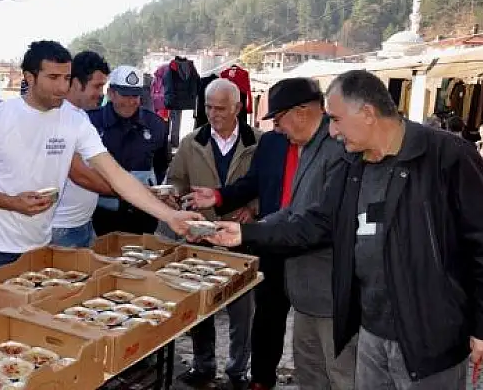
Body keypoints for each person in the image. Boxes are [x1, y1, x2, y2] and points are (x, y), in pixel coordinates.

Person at [204, 70, 483, 390]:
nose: (332, 131)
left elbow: (480, 242)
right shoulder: (354, 165)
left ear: (366, 113)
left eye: (336, 119)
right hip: (369, 327)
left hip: (430, 334)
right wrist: (246, 234)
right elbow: (317, 222)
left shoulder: (447, 156)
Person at [0, 41, 200, 267]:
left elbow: (115, 174)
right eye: (53, 77)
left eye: (66, 77)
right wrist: (13, 203)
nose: (62, 87)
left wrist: (170, 216)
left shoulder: (76, 121)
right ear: (29, 78)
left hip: (43, 246)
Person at [188, 78, 356, 390]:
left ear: (301, 113)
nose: (276, 128)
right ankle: (261, 381)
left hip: (318, 265)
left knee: (334, 361)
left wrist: (248, 230)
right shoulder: (274, 142)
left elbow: (317, 220)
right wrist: (222, 200)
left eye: (278, 120)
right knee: (269, 320)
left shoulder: (338, 148)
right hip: (274, 241)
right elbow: (259, 185)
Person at [162, 79, 258, 390]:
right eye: (208, 107)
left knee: (242, 311)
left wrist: (254, 208)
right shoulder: (192, 142)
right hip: (201, 237)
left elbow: (269, 184)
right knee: (201, 306)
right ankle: (203, 365)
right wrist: (175, 195)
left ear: (237, 108)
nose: (213, 114)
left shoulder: (258, 142)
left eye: (220, 108)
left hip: (240, 238)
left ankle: (238, 370)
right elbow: (176, 179)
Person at [89, 65, 170, 236]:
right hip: (101, 215)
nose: (131, 101)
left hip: (142, 216)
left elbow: (161, 163)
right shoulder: (91, 123)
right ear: (111, 93)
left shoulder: (156, 125)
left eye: (136, 95)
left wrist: (148, 187)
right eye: (125, 95)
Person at [51, 51, 111, 247]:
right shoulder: (59, 116)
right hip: (61, 228)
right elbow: (79, 174)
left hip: (83, 224)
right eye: (97, 86)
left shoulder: (81, 116)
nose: (101, 93)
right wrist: (126, 192)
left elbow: (101, 164)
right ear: (76, 83)